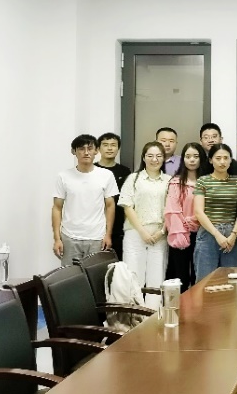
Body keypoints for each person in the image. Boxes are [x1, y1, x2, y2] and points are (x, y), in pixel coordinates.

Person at [52, 134, 119, 266]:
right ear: (74, 151)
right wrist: (57, 238)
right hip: (69, 236)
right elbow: (57, 208)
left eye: (90, 148)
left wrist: (108, 234)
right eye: (81, 149)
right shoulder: (63, 176)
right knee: (70, 275)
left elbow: (110, 206)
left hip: (97, 237)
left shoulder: (106, 175)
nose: (86, 152)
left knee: (94, 276)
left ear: (96, 151)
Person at [119, 141, 171, 309]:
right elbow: (127, 206)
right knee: (133, 277)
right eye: (150, 156)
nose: (154, 159)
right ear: (143, 157)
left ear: (163, 158)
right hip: (135, 233)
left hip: (159, 235)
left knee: (157, 278)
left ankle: (152, 315)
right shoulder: (133, 179)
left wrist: (162, 231)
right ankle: (133, 316)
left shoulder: (169, 181)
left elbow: (172, 209)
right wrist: (142, 231)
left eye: (158, 156)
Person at [193, 144, 237, 279]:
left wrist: (233, 235)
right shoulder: (203, 181)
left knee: (233, 281)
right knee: (205, 280)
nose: (222, 162)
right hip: (208, 233)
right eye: (218, 158)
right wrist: (217, 234)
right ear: (211, 160)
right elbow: (198, 212)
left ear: (231, 160)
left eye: (226, 158)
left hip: (232, 235)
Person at [164, 142, 206, 291]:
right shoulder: (175, 182)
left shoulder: (207, 181)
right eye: (188, 156)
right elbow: (172, 209)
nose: (192, 160)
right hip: (180, 234)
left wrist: (196, 220)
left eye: (196, 156)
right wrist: (184, 225)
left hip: (203, 233)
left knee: (199, 276)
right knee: (180, 276)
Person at [95, 132, 131, 261]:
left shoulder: (125, 171)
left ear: (118, 148)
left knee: (117, 265)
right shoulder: (92, 170)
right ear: (98, 149)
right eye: (105, 145)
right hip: (96, 223)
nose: (109, 148)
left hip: (118, 225)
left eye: (113, 145)